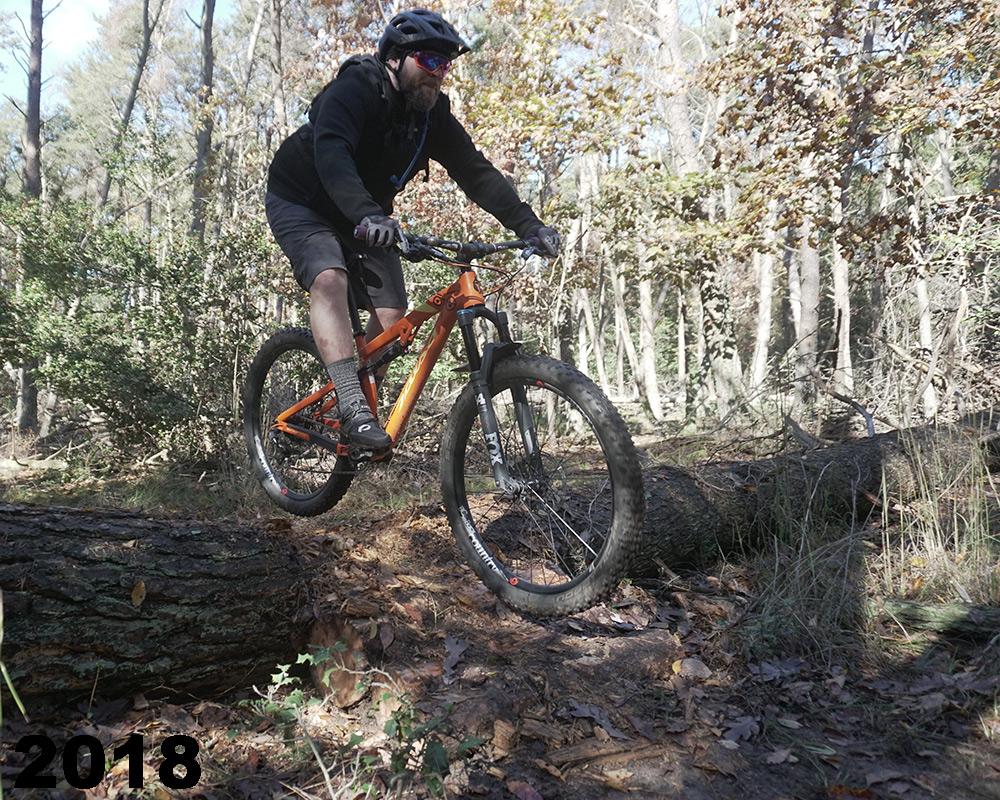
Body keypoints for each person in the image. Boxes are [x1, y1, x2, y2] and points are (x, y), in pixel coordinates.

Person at [265, 8, 560, 451]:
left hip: (367, 217)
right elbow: (333, 155)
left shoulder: (430, 116)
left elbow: (475, 172)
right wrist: (369, 215)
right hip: (302, 200)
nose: (438, 73)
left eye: (445, 65)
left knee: (391, 315)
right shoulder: (356, 89)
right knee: (329, 277)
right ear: (395, 59)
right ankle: (351, 404)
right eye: (428, 60)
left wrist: (529, 225)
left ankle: (362, 404)